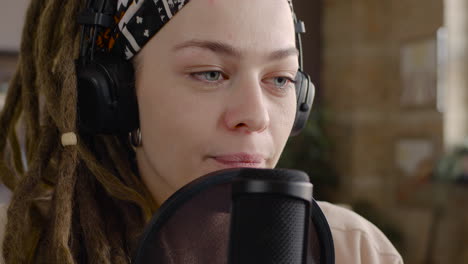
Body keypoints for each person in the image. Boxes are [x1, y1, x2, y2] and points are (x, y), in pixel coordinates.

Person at [0, 0, 403, 263]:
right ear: (113, 96)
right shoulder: (20, 246)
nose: (255, 116)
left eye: (280, 79)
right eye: (210, 73)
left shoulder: (356, 249)